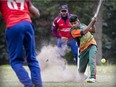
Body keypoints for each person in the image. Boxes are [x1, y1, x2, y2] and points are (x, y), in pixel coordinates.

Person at [0, 0, 42, 87]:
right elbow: (37, 13)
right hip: (27, 24)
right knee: (32, 58)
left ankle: (28, 84)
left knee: (15, 61)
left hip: (13, 26)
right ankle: (38, 84)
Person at [69, 15, 98, 83]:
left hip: (92, 44)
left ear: (78, 21)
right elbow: (84, 32)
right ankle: (82, 76)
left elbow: (93, 30)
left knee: (92, 61)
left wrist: (93, 24)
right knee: (81, 72)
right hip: (83, 49)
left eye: (74, 23)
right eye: (72, 24)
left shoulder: (83, 25)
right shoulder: (72, 31)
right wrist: (92, 22)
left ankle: (92, 77)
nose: (73, 25)